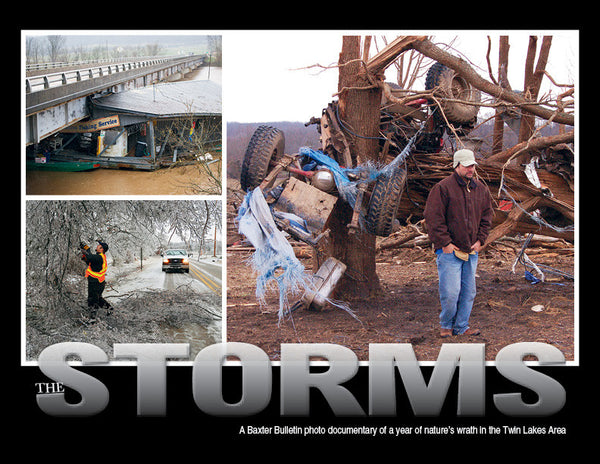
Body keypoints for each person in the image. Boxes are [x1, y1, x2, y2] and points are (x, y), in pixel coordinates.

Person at [423, 149, 493, 338]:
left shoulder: (481, 189)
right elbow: (433, 218)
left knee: (469, 292)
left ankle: (462, 326)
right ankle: (446, 325)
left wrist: (480, 240)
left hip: (472, 251)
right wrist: (445, 243)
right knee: (451, 293)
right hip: (449, 252)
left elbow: (487, 217)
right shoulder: (443, 188)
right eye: (467, 165)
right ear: (457, 165)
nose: (471, 169)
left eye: (472, 165)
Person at [80, 240, 113, 322]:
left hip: (96, 282)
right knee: (97, 299)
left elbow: (91, 257)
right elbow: (90, 261)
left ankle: (92, 319)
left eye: (99, 245)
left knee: (92, 300)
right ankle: (109, 309)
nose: (97, 246)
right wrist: (84, 255)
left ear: (101, 249)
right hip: (97, 282)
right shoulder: (99, 257)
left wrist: (87, 249)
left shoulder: (100, 257)